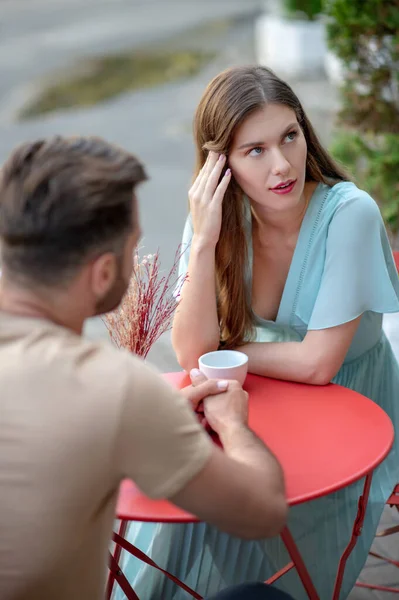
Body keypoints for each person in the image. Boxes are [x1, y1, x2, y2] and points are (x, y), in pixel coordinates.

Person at [0, 136, 291, 600]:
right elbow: (264, 512)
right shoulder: (111, 388)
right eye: (133, 246)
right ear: (101, 274)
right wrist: (233, 425)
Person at [158, 64, 399, 598]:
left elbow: (317, 365)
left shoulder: (348, 214)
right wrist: (202, 243)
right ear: (220, 164)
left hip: (350, 408)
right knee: (186, 493)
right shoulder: (216, 220)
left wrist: (228, 350)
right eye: (256, 151)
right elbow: (190, 351)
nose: (283, 164)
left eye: (289, 136)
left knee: (255, 509)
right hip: (260, 403)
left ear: (304, 129)